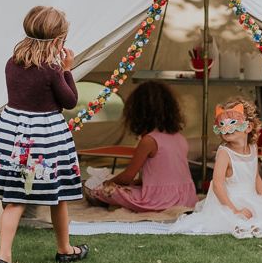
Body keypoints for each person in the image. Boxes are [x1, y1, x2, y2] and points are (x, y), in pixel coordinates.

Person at [0, 5, 86, 263]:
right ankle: (64, 249)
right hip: (45, 137)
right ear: (58, 41)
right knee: (59, 195)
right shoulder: (51, 70)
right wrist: (67, 69)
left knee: (15, 198)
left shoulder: (13, 63)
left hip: (12, 135)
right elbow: (69, 101)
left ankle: (4, 256)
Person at [170, 97, 262, 237]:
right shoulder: (225, 153)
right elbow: (218, 185)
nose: (227, 127)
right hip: (228, 200)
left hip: (250, 197)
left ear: (248, 127)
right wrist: (234, 210)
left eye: (232, 122)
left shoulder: (253, 148)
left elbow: (255, 177)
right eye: (222, 123)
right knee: (238, 220)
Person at [83, 81, 198, 212]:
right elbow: (163, 175)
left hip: (159, 199)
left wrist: (106, 182)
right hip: (186, 198)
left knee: (99, 190)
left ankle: (98, 196)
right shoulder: (180, 138)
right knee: (131, 187)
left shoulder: (149, 140)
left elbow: (127, 177)